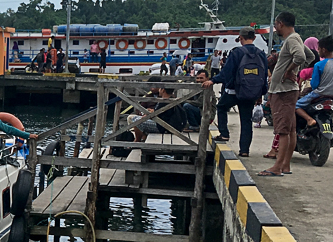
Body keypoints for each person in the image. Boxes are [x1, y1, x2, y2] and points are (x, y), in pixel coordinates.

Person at [203, 26, 268, 157]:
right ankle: (244, 150)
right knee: (246, 120)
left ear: (240, 39)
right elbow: (264, 74)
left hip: (234, 91)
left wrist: (213, 81)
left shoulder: (237, 53)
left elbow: (227, 73)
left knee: (221, 107)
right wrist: (260, 94)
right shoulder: (261, 53)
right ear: (254, 38)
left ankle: (224, 134)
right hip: (251, 92)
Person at [261, 11, 308, 177]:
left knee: (282, 130)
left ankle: (277, 167)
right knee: (290, 129)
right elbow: (309, 55)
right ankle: (285, 165)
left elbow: (301, 56)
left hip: (284, 91)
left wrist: (288, 71)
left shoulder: (292, 39)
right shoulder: (295, 39)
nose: (275, 27)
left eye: (276, 24)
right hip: (287, 90)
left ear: (280, 23)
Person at [128, 76, 187, 141]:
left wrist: (148, 116)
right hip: (166, 125)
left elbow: (161, 117)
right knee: (136, 119)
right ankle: (141, 138)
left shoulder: (165, 101)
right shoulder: (171, 99)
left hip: (163, 127)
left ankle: (137, 140)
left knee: (137, 121)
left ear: (163, 90)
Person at [296, 35, 333, 128]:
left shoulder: (319, 65)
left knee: (296, 105)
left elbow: (314, 85)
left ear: (324, 50)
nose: (318, 51)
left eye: (319, 49)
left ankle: (309, 119)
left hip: (319, 94)